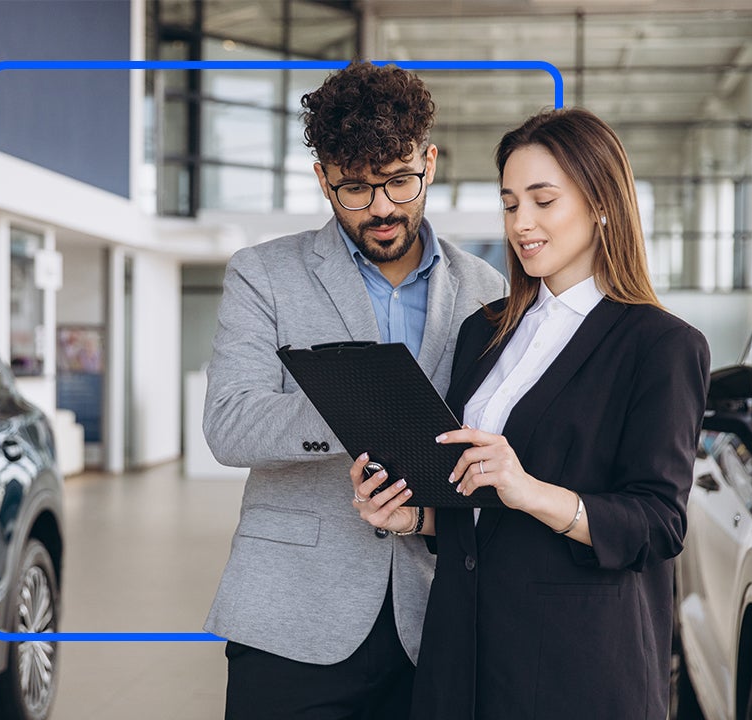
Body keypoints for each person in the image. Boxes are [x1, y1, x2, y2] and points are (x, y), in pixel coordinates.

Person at [350, 107, 711, 719]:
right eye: (511, 203)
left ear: (602, 203)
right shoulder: (483, 332)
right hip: (462, 655)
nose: (523, 223)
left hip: (576, 665)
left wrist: (529, 490)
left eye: (544, 201)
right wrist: (414, 517)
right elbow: (481, 508)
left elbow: (658, 523)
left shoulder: (661, 345)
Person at [203, 61, 507, 720]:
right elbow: (229, 425)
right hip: (289, 620)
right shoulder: (263, 275)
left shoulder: (486, 289)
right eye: (354, 189)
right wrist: (358, 409)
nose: (381, 208)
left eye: (400, 180)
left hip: (432, 621)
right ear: (322, 178)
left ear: (430, 160)